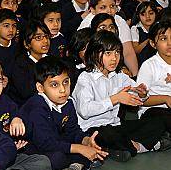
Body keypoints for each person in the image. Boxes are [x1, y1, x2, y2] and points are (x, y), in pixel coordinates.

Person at [72, 31, 169, 161]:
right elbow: (84, 111)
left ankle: (126, 148)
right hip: (92, 129)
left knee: (158, 122)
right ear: (95, 53)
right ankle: (144, 146)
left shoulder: (119, 76)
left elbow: (140, 98)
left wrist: (142, 93)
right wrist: (115, 99)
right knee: (107, 134)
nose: (114, 58)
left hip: (115, 125)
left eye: (117, 52)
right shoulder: (85, 78)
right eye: (108, 53)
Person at [19, 56, 107, 170]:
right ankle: (73, 167)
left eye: (66, 82)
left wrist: (86, 140)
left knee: (94, 144)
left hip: (57, 142)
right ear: (40, 87)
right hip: (33, 149)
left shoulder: (68, 102)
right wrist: (79, 148)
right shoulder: (36, 106)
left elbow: (73, 130)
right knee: (57, 157)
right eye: (54, 85)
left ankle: (73, 168)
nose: (62, 90)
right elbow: (45, 144)